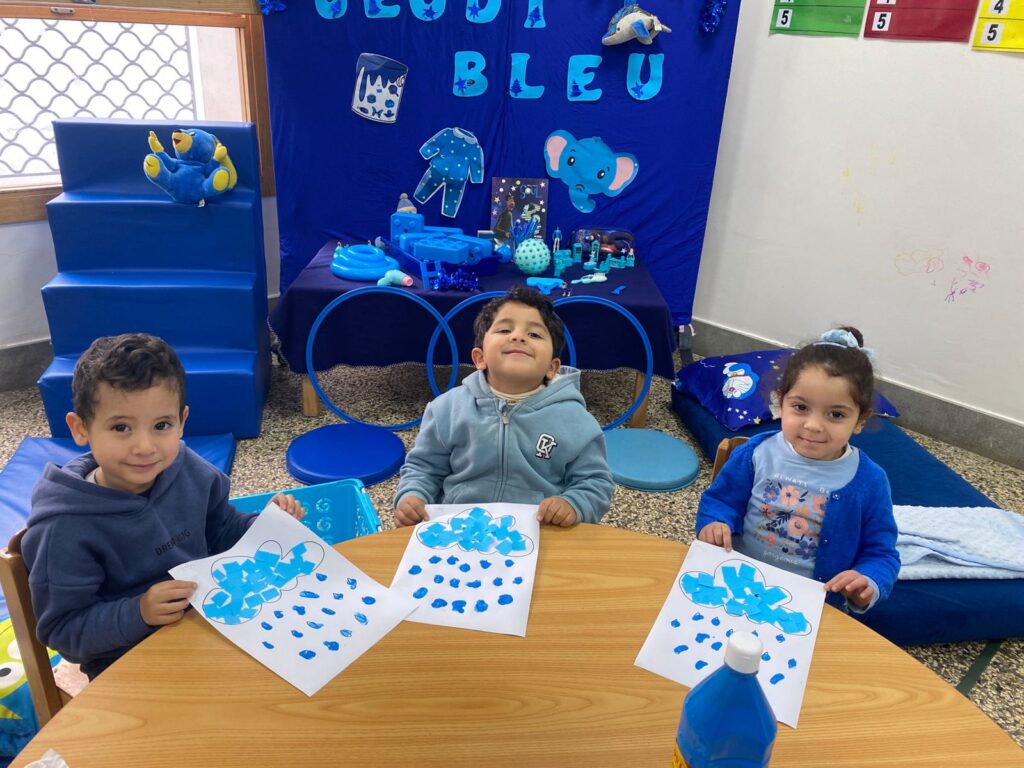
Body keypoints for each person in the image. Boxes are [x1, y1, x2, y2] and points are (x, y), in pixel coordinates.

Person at [21, 333, 304, 679]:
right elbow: (63, 631)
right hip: (125, 661)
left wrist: (265, 526)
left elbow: (221, 529)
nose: (145, 446)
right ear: (81, 429)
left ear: (182, 422)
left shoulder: (187, 467)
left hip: (211, 623)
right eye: (121, 427)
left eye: (161, 425)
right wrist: (138, 612)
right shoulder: (62, 527)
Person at [696, 327, 900, 613]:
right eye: (801, 407)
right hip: (739, 587)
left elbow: (881, 553)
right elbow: (720, 501)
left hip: (811, 607)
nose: (813, 425)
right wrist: (715, 522)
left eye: (836, 414)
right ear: (780, 403)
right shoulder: (756, 453)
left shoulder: (870, 481)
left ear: (860, 421)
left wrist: (868, 581)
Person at [394, 286, 614, 528]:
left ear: (552, 368)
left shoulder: (575, 420)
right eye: (505, 329)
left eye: (534, 334)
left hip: (540, 531)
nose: (518, 337)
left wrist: (572, 504)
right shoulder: (446, 409)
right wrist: (412, 497)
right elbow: (423, 468)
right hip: (459, 530)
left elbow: (595, 482)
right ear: (480, 358)